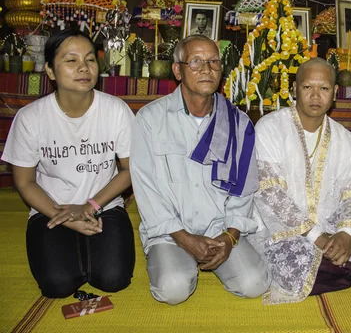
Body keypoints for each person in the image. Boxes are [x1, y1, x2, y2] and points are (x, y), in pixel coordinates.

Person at [248, 58, 351, 305]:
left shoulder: (345, 139)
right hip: (283, 229)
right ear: (294, 89)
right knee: (298, 258)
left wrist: (346, 234)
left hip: (330, 222)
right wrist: (317, 237)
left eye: (323, 88)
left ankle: (335, 267)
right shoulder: (269, 128)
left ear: (335, 93)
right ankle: (344, 269)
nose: (315, 96)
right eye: (307, 87)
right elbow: (270, 194)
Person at [130, 35, 270, 305]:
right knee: (173, 290)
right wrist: (183, 238)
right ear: (177, 70)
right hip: (171, 232)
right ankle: (178, 261)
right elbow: (146, 188)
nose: (206, 69)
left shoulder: (237, 122)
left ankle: (210, 259)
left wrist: (230, 236)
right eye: (195, 62)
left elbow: (244, 188)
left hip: (220, 230)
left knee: (255, 284)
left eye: (213, 62)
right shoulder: (150, 119)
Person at [1, 30, 135, 298]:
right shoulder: (31, 118)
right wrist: (63, 217)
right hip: (52, 208)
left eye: (90, 59)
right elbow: (25, 182)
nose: (84, 67)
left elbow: (130, 169)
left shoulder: (116, 110)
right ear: (50, 70)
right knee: (57, 285)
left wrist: (90, 207)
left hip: (104, 206)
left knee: (112, 279)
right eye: (71, 61)